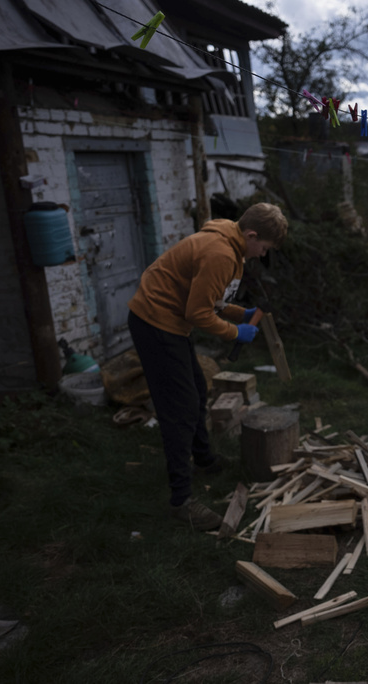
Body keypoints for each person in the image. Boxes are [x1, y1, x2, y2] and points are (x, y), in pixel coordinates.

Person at [127, 203, 288, 531]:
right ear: (251, 235)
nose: (261, 254)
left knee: (198, 390)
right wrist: (236, 331)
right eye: (264, 247)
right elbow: (197, 314)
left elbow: (210, 300)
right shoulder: (222, 253)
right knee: (180, 409)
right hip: (156, 323)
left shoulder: (230, 242)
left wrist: (238, 313)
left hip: (171, 321)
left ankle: (204, 460)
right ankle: (181, 501)